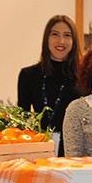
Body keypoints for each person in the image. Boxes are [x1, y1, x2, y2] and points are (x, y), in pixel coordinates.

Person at [18, 15, 82, 156]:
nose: (61, 41)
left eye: (67, 35)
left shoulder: (83, 77)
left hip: (75, 152)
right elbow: (22, 119)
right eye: (55, 34)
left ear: (74, 41)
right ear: (46, 38)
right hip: (39, 150)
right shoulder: (28, 75)